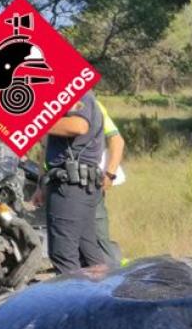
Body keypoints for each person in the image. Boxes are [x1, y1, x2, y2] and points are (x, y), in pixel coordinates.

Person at [33, 92, 107, 273]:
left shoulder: (79, 95)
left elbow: (79, 125)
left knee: (63, 254)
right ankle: (102, 298)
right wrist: (41, 185)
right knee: (88, 253)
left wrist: (35, 121)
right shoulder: (63, 100)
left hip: (70, 187)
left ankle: (73, 299)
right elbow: (47, 149)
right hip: (77, 184)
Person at [95, 99, 126, 267]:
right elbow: (45, 149)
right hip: (56, 184)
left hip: (89, 183)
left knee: (98, 237)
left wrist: (110, 174)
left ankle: (111, 279)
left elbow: (117, 140)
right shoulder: (45, 106)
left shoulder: (92, 104)